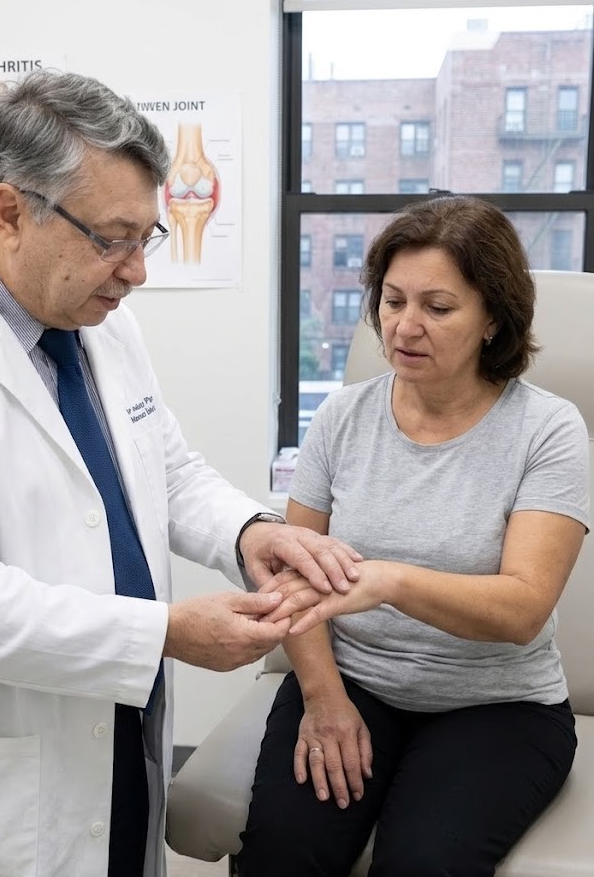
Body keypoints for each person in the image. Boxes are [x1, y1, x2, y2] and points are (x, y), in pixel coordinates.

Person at [0, 70, 363, 877]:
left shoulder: (98, 319)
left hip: (115, 718)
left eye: (143, 237)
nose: (136, 270)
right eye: (111, 238)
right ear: (9, 211)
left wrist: (251, 534)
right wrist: (165, 634)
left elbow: (167, 467)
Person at [238, 195, 589, 877]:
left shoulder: (546, 430)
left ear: (491, 317)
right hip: (353, 680)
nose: (403, 326)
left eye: (437, 306)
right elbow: (288, 574)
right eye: (392, 301)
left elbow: (521, 610)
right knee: (284, 852)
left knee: (424, 862)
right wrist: (322, 696)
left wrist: (389, 580)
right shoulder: (343, 416)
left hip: (497, 706)